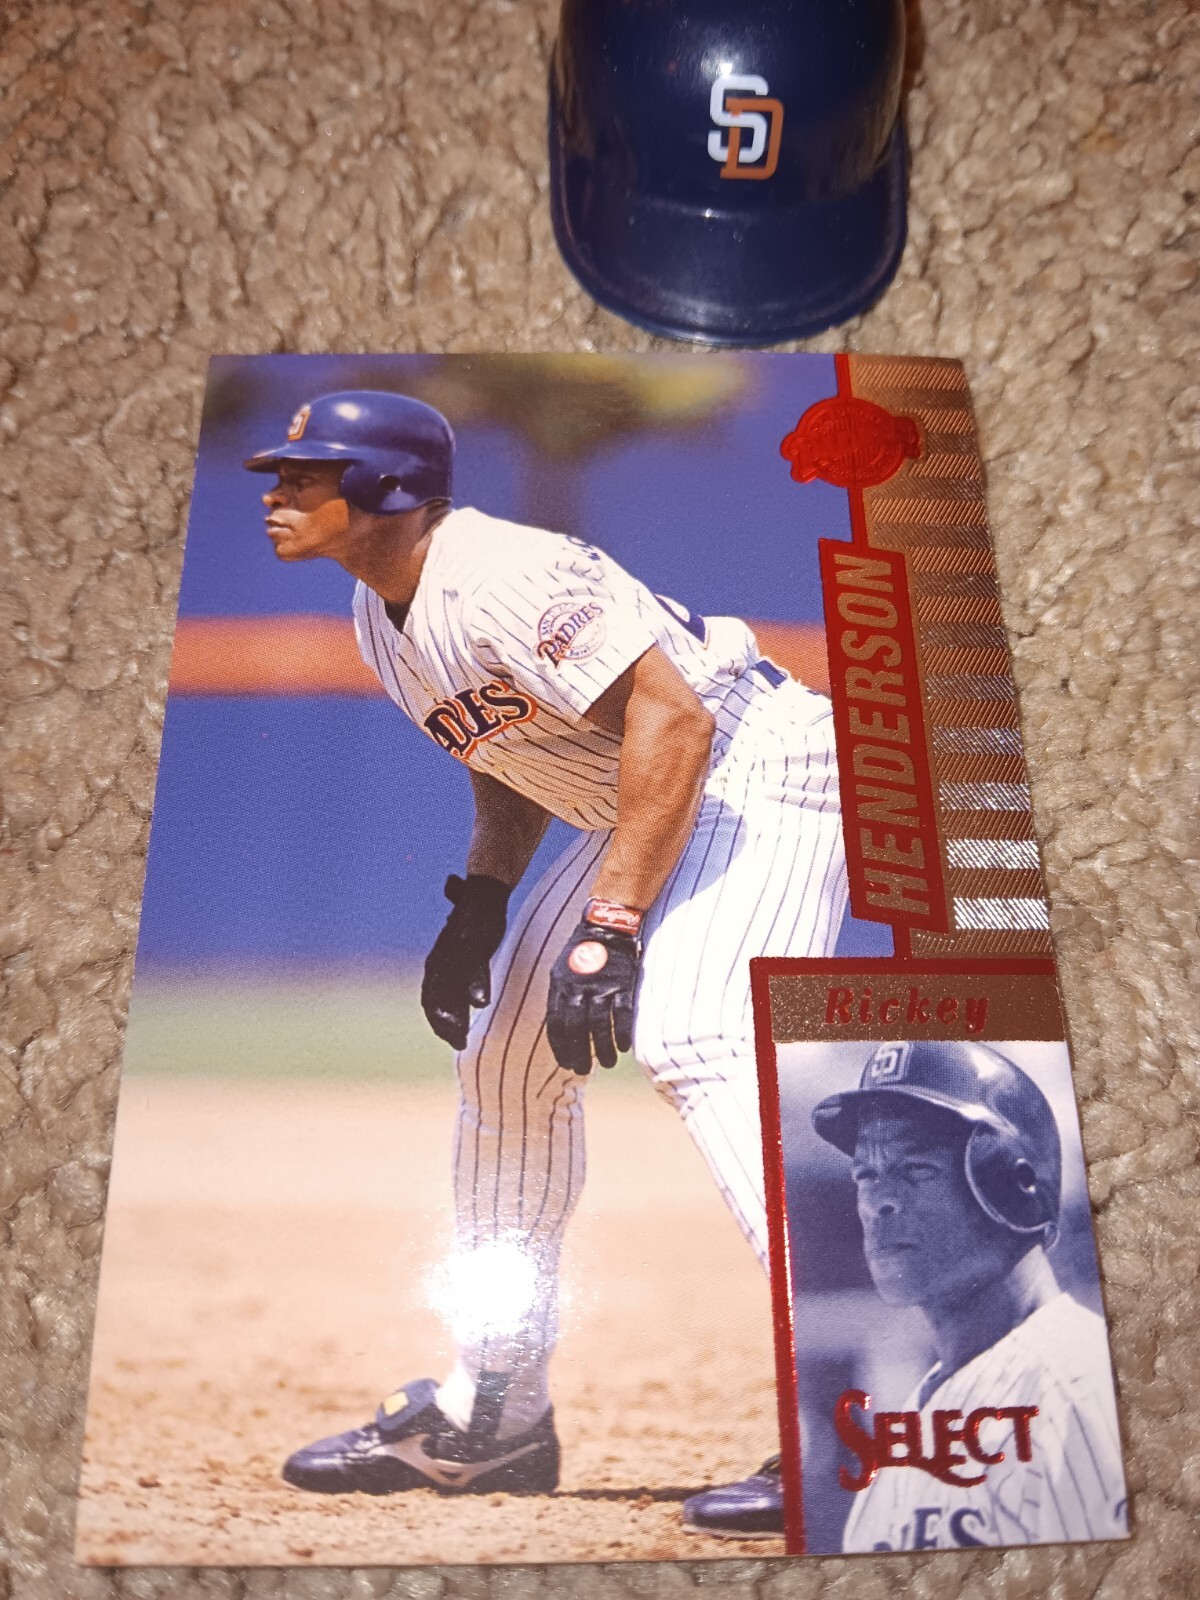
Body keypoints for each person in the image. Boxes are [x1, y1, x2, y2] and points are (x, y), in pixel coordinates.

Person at [244, 389, 848, 1506]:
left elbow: (676, 720)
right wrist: (482, 900)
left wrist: (610, 927)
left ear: (384, 486)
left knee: (699, 1036)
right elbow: (508, 750)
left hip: (754, 768)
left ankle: (872, 1407)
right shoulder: (381, 610)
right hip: (640, 801)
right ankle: (496, 1414)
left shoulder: (504, 575)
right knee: (507, 1064)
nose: (276, 494)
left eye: (304, 473)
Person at [684, 1040, 1129, 1549]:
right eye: (866, 1174)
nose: (880, 1201)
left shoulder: (1076, 1392)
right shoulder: (918, 1423)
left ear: (1016, 1186)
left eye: (916, 1169)